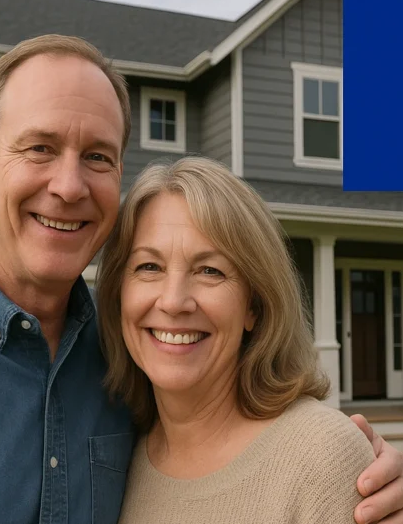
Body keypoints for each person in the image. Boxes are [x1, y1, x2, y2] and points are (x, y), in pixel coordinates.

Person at [0, 34, 403, 524]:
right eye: (40, 147)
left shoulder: (128, 361)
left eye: (97, 156)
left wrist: (358, 472)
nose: (69, 185)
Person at [94, 155, 385, 523]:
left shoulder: (320, 458)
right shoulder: (114, 458)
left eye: (209, 270)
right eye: (149, 266)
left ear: (254, 306)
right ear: (119, 294)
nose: (173, 301)